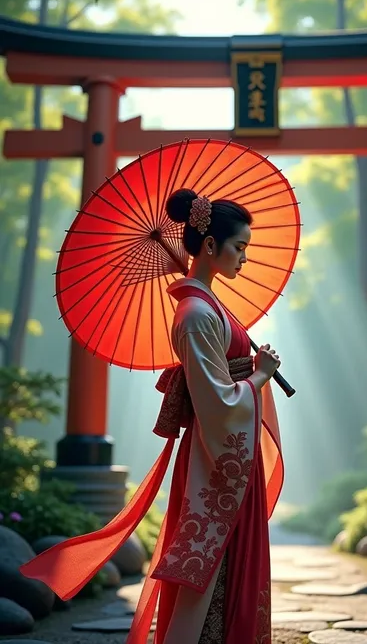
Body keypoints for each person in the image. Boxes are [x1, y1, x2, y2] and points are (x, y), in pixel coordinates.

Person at [20, 188, 284, 644]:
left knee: (227, 564)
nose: (243, 258)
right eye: (239, 247)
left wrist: (251, 367)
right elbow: (217, 403)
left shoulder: (206, 307)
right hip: (216, 459)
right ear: (208, 246)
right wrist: (259, 376)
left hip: (227, 457)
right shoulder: (196, 314)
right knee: (213, 567)